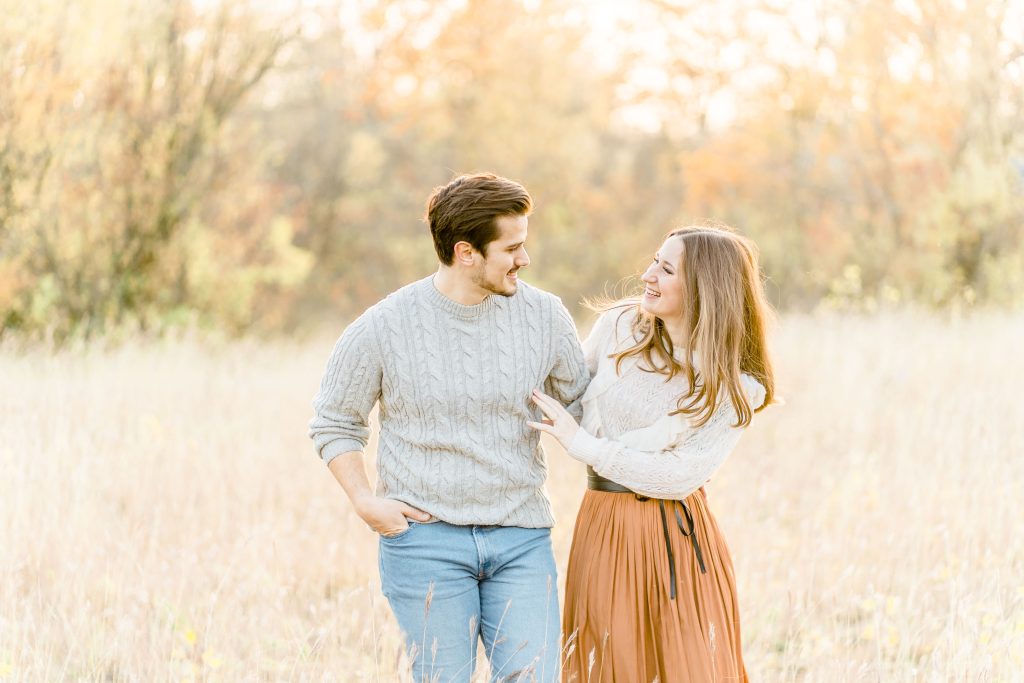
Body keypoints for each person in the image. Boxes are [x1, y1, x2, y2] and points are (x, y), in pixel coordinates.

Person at [308, 173, 589, 682]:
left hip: (521, 538)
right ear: (466, 252)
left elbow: (587, 406)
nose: (524, 259)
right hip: (425, 542)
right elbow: (334, 420)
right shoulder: (384, 325)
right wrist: (365, 500)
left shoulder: (546, 316)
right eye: (513, 247)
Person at [528, 225, 775, 682]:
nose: (647, 275)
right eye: (652, 262)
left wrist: (582, 446)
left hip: (677, 539)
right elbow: (575, 397)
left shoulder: (736, 386)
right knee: (607, 662)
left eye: (665, 269)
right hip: (604, 521)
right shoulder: (619, 325)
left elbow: (679, 475)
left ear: (704, 287)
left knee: (687, 668)